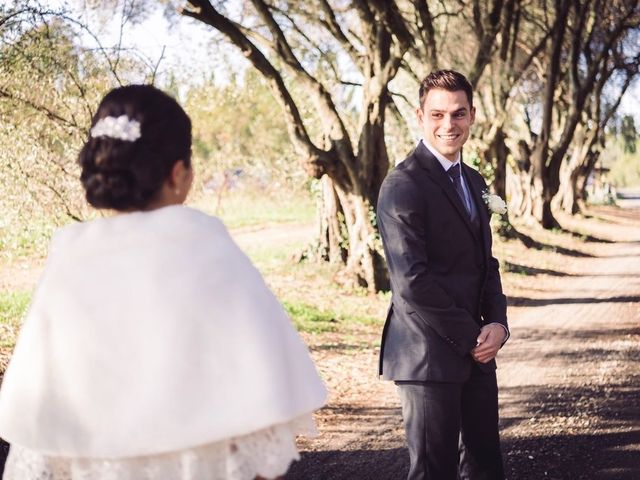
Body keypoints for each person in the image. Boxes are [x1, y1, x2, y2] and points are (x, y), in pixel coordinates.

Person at [0, 85, 326, 480]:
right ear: (178, 173)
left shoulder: (67, 260)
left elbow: (38, 447)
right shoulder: (207, 250)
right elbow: (261, 438)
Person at [376, 70, 510, 480]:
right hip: (428, 355)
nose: (447, 125)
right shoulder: (403, 185)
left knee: (486, 465)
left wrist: (499, 324)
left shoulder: (474, 181)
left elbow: (485, 263)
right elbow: (411, 282)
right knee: (436, 472)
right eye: (437, 114)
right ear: (420, 116)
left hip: (478, 354)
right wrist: (471, 335)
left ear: (472, 116)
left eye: (458, 114)